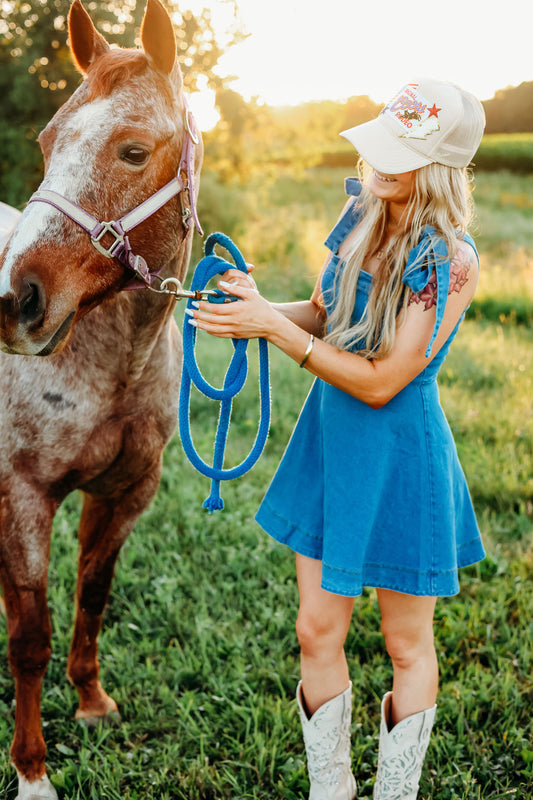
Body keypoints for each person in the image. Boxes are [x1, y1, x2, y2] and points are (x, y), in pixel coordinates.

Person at [186, 78, 486, 799]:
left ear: (440, 166)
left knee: (404, 643)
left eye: (399, 152)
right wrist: (254, 307)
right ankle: (332, 788)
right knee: (315, 630)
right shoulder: (361, 212)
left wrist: (275, 331)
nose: (377, 164)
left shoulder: (449, 260)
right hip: (331, 444)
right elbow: (323, 314)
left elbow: (383, 380)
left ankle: (394, 792)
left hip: (398, 453)